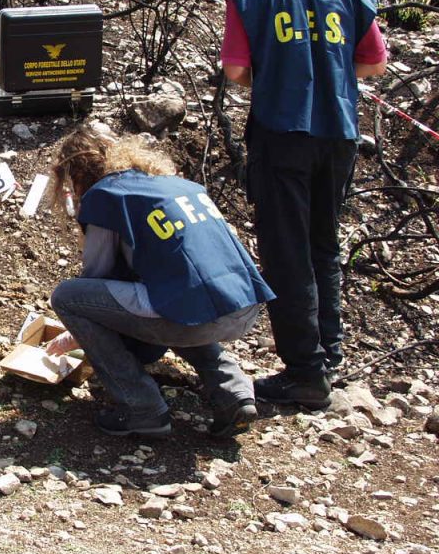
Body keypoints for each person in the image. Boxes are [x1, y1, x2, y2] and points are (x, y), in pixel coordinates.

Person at [221, 0, 388, 408]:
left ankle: (304, 372)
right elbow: (374, 63)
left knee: (286, 250)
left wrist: (280, 74)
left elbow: (235, 71)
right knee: (323, 245)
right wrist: (328, 71)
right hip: (337, 131)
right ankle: (327, 358)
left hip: (280, 129)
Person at [45, 125, 275, 438]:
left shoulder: (106, 196)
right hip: (243, 305)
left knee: (68, 297)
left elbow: (96, 278)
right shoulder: (179, 185)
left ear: (77, 173)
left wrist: (78, 335)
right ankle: (232, 390)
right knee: (178, 293)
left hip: (190, 317)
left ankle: (141, 407)